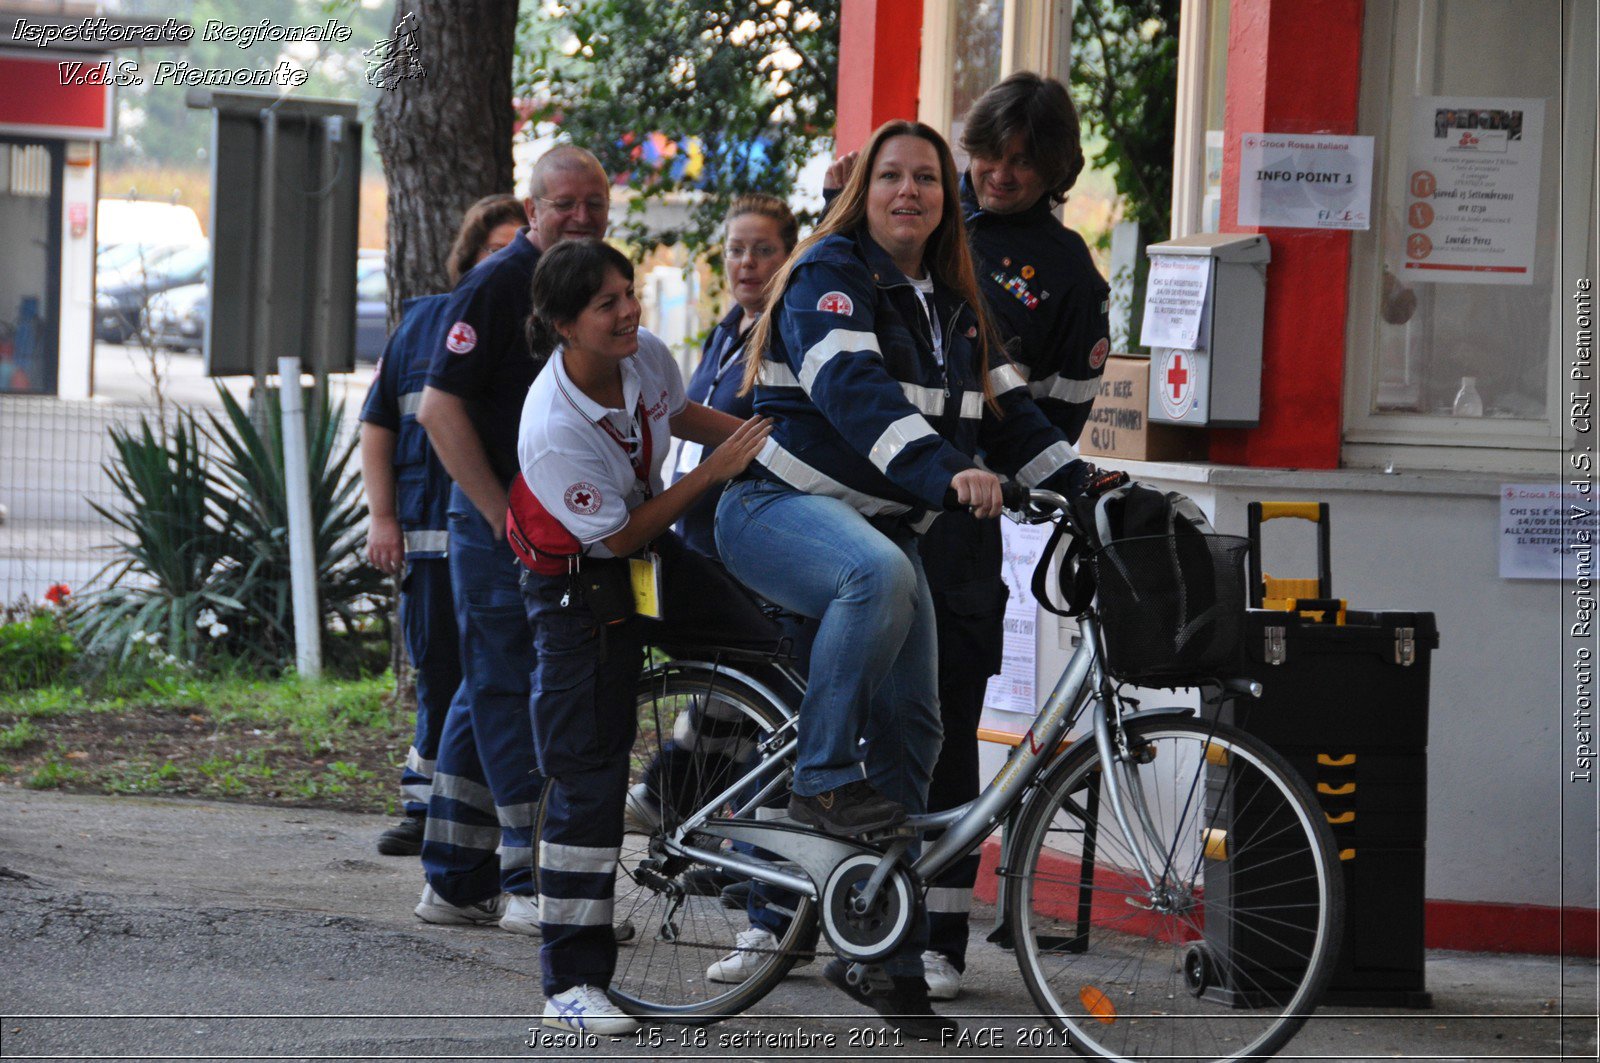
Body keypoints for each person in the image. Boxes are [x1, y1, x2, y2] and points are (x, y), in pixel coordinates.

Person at [714, 119, 1102, 1035]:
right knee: (879, 577)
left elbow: (1012, 421)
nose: (910, 192)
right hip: (775, 513)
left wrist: (1089, 488)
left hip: (883, 533)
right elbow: (857, 398)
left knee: (916, 738)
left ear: (945, 194)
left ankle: (884, 965)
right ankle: (815, 779)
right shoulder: (827, 275)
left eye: (926, 178)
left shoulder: (958, 301)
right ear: (865, 190)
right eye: (892, 176)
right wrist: (945, 474)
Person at [509, 238, 776, 1033]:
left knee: (764, 653)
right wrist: (714, 470)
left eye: (628, 292)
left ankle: (678, 792)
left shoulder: (645, 353)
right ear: (564, 325)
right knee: (586, 777)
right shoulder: (553, 426)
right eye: (606, 304)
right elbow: (619, 537)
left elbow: (681, 412)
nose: (629, 310)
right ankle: (570, 985)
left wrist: (772, 446)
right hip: (578, 588)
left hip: (647, 553)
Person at [921, 70, 1110, 1002]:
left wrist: (1032, 469)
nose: (998, 174)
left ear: (1054, 169)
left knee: (954, 718)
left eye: (1022, 164)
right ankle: (790, 912)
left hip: (975, 518)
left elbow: (1063, 413)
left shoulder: (1068, 268)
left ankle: (940, 938)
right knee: (847, 705)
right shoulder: (913, 214)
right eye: (989, 154)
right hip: (873, 501)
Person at [410, 147, 610, 934]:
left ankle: (456, 880)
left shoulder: (588, 282)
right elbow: (436, 408)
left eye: (594, 202)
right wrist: (496, 513)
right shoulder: (497, 285)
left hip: (545, 523)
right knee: (511, 688)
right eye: (565, 203)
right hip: (501, 524)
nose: (582, 216)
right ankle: (531, 880)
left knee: (484, 688)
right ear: (532, 210)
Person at [360, 193, 527, 858]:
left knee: (490, 677)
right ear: (470, 259)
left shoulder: (539, 326)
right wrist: (382, 517)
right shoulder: (424, 323)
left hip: (496, 540)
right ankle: (422, 801)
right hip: (431, 541)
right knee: (441, 672)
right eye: (496, 251)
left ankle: (464, 818)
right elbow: (380, 423)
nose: (508, 262)